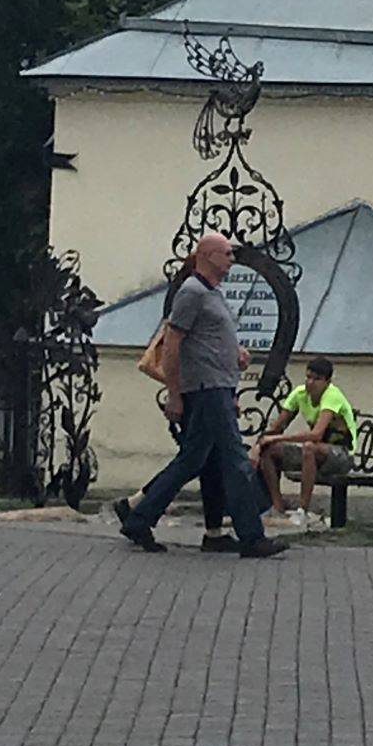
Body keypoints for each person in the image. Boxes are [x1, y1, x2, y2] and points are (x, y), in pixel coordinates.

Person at [117, 232, 284, 558]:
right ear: (207, 256)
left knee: (193, 460)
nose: (232, 259)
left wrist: (235, 353)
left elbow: (208, 338)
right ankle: (252, 537)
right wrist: (174, 394)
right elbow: (173, 344)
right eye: (227, 254)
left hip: (219, 386)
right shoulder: (191, 292)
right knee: (235, 461)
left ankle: (139, 518)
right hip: (206, 389)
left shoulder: (213, 293)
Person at [251, 358, 356, 528]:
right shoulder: (299, 394)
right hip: (316, 452)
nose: (310, 383)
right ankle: (277, 507)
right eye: (308, 377)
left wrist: (277, 438)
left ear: (327, 381)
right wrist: (259, 446)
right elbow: (276, 427)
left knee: (308, 447)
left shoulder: (332, 396)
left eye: (317, 379)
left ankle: (302, 511)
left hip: (341, 455)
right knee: (270, 450)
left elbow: (316, 434)